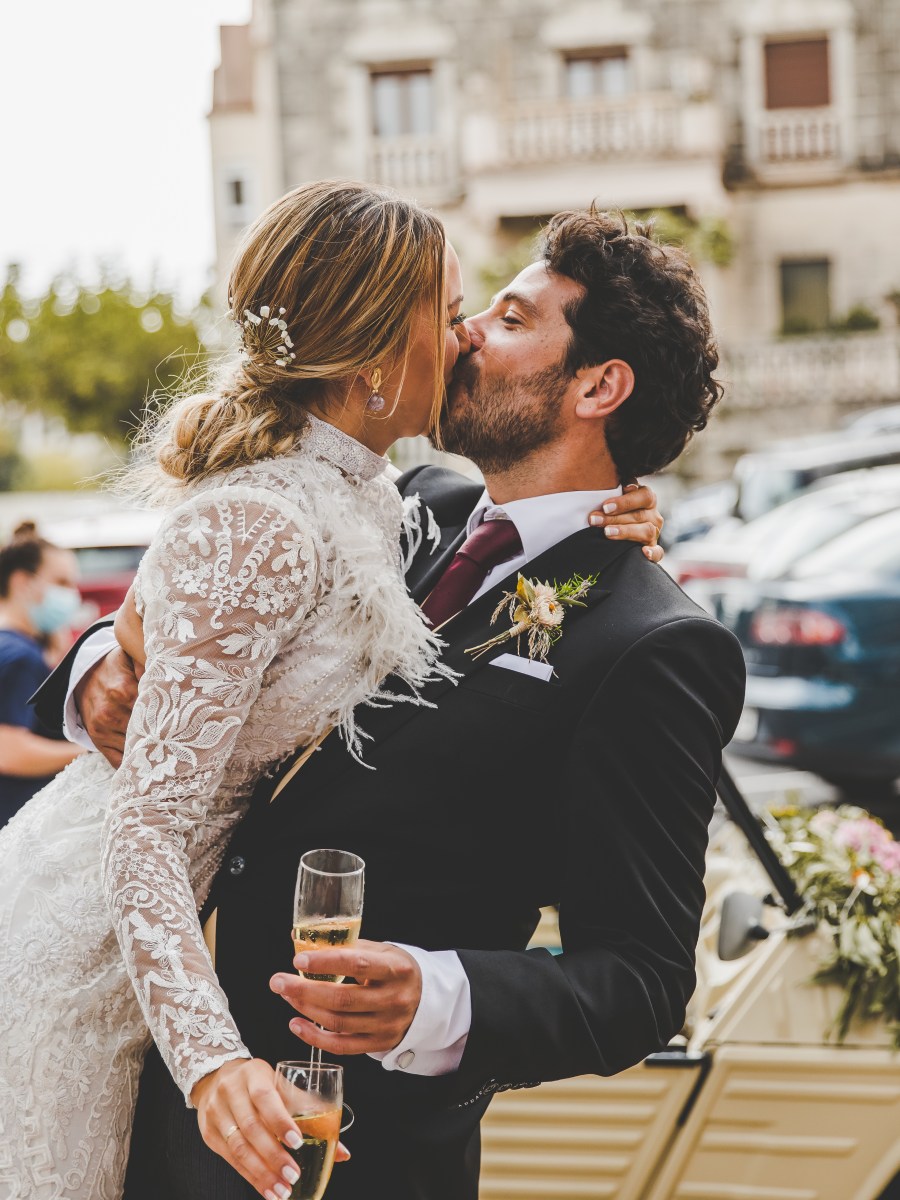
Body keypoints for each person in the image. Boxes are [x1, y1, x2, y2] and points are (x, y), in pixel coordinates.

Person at [43, 205, 744, 1200]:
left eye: (504, 320)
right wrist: (103, 664)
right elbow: (212, 586)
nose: (464, 336)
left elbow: (638, 979)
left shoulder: (652, 645)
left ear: (597, 385)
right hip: (175, 1071)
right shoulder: (404, 504)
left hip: (363, 1152)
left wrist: (441, 998)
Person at [0, 521, 84, 825]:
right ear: (23, 582)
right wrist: (87, 751)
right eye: (61, 582)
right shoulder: (19, 657)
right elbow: (8, 751)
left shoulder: (16, 647)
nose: (72, 594)